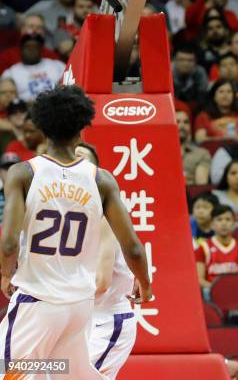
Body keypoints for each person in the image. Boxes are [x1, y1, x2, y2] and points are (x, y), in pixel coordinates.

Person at [0, 85, 151, 377]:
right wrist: (145, 283)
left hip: (38, 299)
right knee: (63, 373)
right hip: (80, 305)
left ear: (41, 127)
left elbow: (9, 243)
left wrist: (6, 273)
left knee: (8, 371)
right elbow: (132, 246)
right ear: (82, 127)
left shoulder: (24, 173)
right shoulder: (102, 180)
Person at [74, 143, 136, 380]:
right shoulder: (62, 212)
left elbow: (100, 282)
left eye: (80, 158)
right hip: (77, 319)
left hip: (106, 320)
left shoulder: (103, 212)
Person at [194, 204, 238, 290]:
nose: (224, 223)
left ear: (234, 224)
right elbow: (199, 279)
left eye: (228, 219)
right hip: (211, 292)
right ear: (212, 225)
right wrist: (217, 290)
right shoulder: (203, 248)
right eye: (219, 219)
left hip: (236, 291)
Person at [1, 32, 65, 102]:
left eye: (35, 46)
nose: (31, 49)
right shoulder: (11, 73)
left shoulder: (58, 66)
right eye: (28, 46)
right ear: (21, 49)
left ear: (41, 49)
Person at [177, 109, 211, 185]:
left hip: (191, 194)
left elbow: (201, 185)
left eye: (186, 122)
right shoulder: (160, 153)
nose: (182, 126)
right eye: (177, 122)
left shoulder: (202, 153)